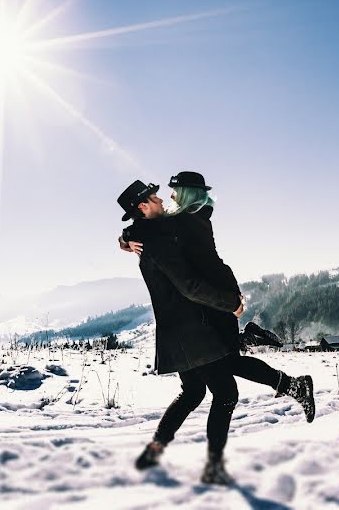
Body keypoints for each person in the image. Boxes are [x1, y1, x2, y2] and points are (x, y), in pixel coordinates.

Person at [120, 172, 315, 421]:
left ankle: (288, 381)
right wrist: (126, 239)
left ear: (187, 194)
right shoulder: (185, 216)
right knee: (227, 359)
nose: (168, 195)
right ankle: (282, 375)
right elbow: (146, 225)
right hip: (215, 293)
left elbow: (147, 228)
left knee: (228, 363)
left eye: (175, 190)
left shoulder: (185, 219)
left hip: (213, 296)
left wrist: (128, 238)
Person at [117, 179, 245, 485]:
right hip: (191, 332)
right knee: (226, 393)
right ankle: (214, 467)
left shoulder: (146, 234)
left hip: (175, 332)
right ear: (143, 206)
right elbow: (189, 285)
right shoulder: (157, 240)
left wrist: (124, 238)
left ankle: (154, 448)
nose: (162, 201)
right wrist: (230, 304)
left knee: (193, 392)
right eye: (155, 198)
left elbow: (136, 231)